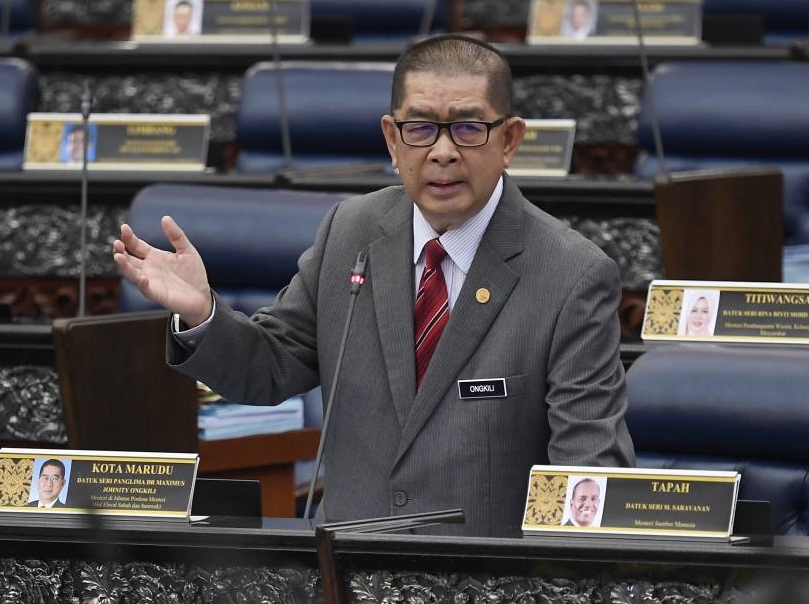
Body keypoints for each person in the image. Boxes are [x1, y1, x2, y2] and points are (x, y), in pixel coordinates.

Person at [113, 34, 634, 535]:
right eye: (421, 128)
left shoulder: (571, 274)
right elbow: (270, 368)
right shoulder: (351, 231)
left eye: (469, 128)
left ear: (510, 140)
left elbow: (589, 470)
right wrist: (202, 313)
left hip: (486, 593)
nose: (443, 152)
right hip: (346, 573)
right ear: (392, 138)